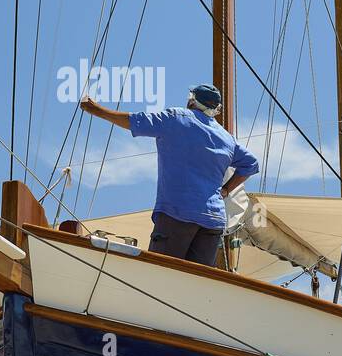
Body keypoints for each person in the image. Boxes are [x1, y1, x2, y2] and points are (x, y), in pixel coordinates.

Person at [80, 83, 259, 266]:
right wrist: (226, 190)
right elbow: (251, 164)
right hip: (213, 221)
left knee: (160, 273)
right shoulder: (226, 138)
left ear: (192, 101)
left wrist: (96, 110)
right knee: (197, 282)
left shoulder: (176, 118)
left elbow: (135, 121)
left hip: (177, 214)